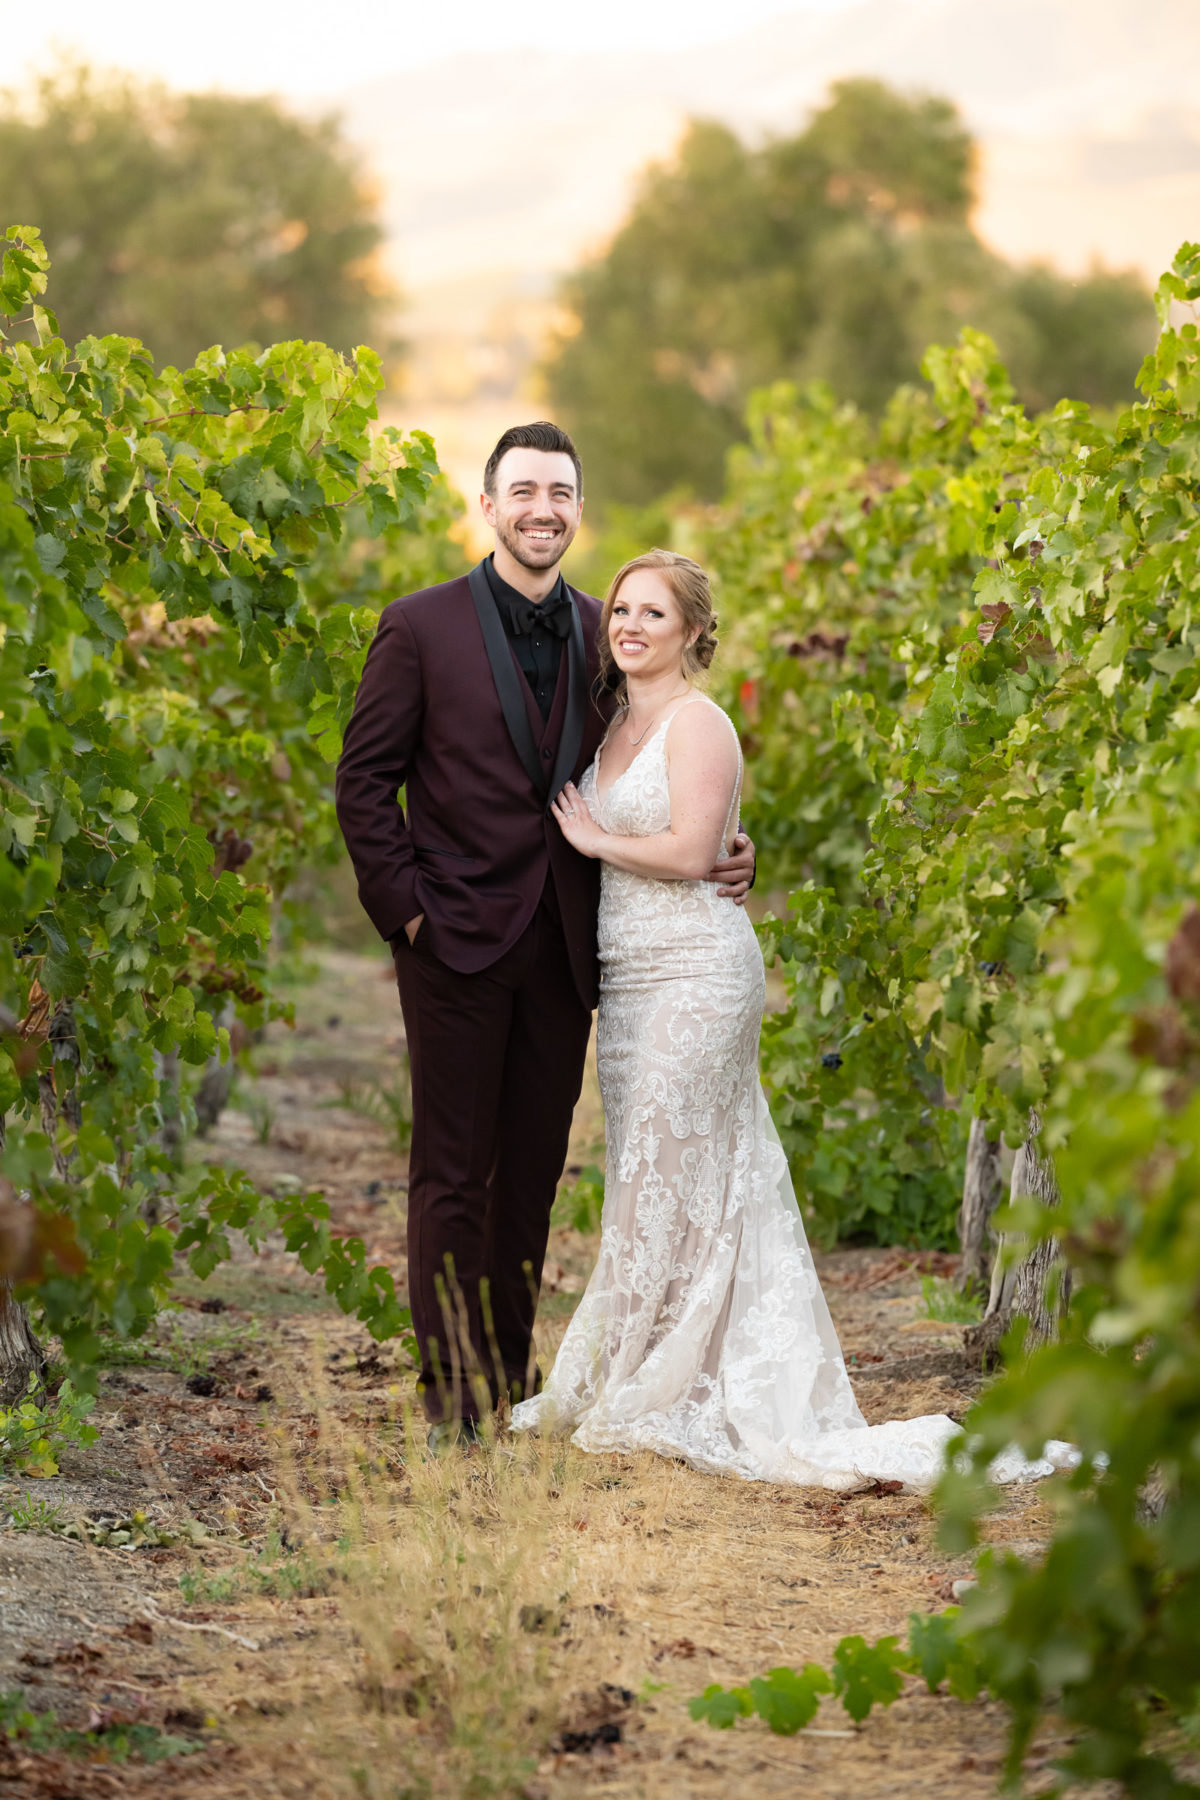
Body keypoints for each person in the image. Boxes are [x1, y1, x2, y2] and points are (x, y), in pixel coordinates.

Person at [511, 549, 1073, 1490]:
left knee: (680, 1163)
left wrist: (595, 836)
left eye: (654, 614)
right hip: (632, 980)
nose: (631, 626)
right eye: (621, 611)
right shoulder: (609, 724)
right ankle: (647, 1366)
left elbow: (695, 850)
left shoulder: (701, 723)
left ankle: (673, 1382)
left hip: (698, 972)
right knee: (654, 1170)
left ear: (693, 632)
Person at [334, 426, 755, 1448]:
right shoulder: (418, 627)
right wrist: (409, 913)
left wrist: (729, 851)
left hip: (569, 950)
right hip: (451, 943)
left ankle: (508, 1381)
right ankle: (449, 1399)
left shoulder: (601, 630)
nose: (543, 508)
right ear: (489, 506)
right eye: (523, 490)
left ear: (578, 508)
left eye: (560, 493)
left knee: (529, 1173)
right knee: (450, 1169)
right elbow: (362, 782)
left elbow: (661, 758)